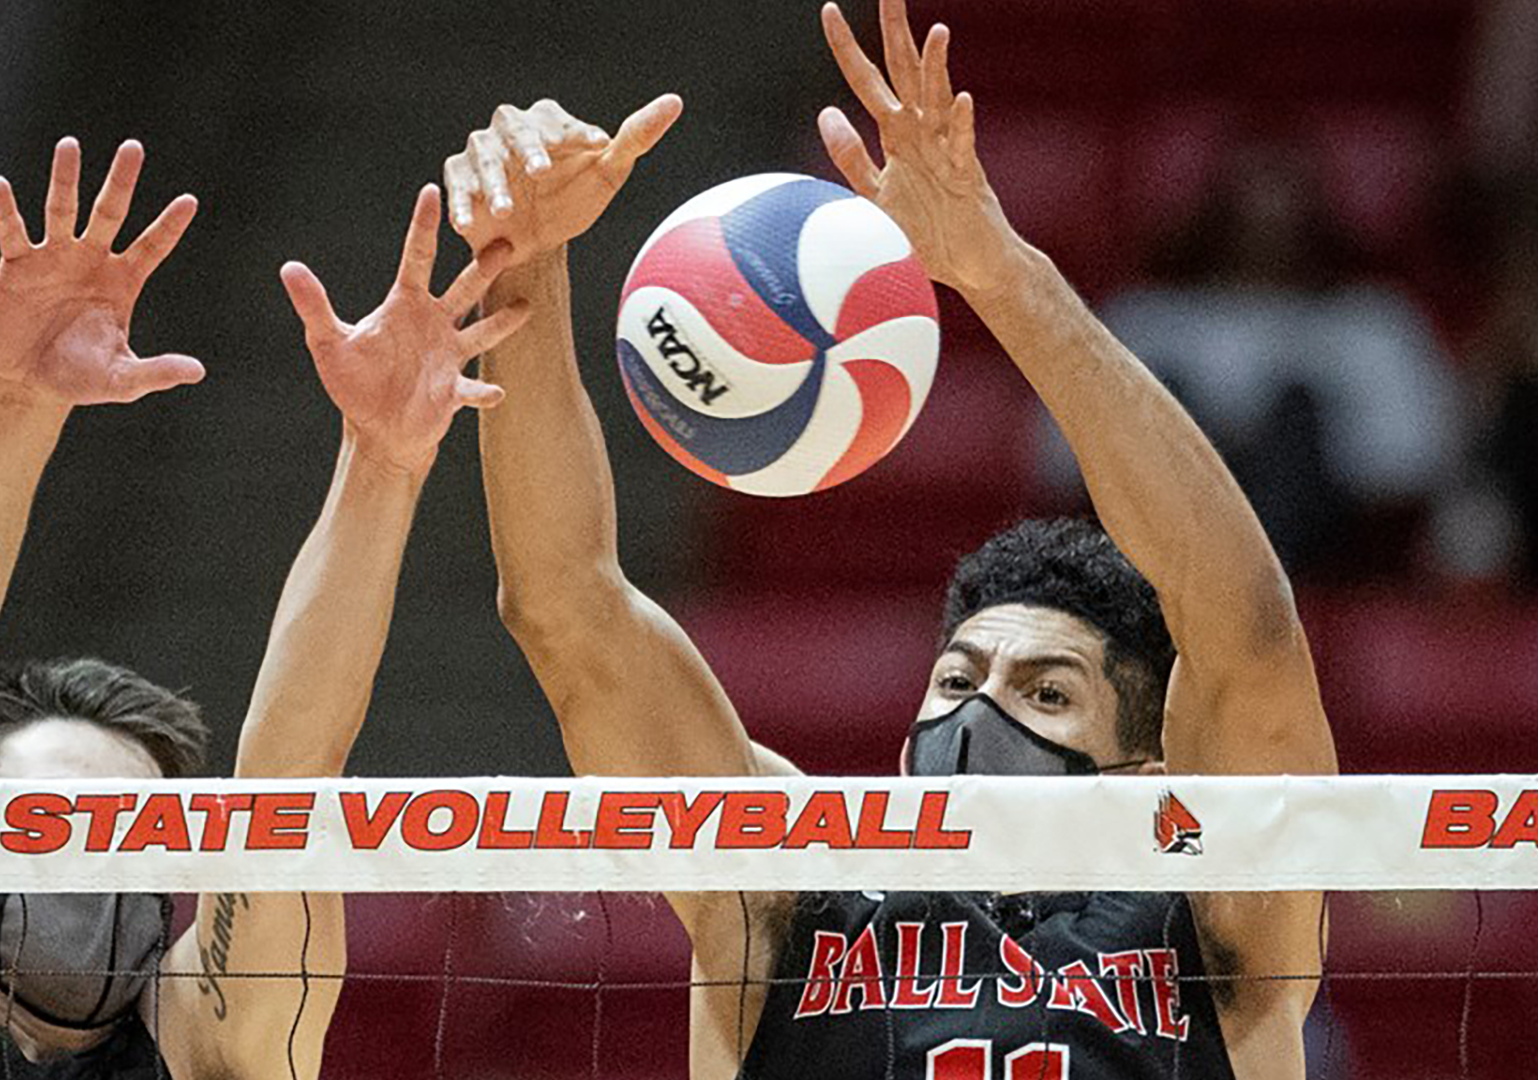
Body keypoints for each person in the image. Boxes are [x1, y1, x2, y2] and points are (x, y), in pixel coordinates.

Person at [444, 0, 1337, 1077]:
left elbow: (1244, 627)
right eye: (957, 675)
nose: (978, 710)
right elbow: (566, 610)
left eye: (1047, 693)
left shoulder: (1210, 919)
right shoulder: (792, 884)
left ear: (1147, 767)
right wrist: (524, 263)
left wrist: (1003, 276)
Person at [0, 137, 525, 1079]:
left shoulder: (209, 1045)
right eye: (44, 822)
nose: (82, 861)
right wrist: (16, 399)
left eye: (119, 834)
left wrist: (386, 464)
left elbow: (289, 777)